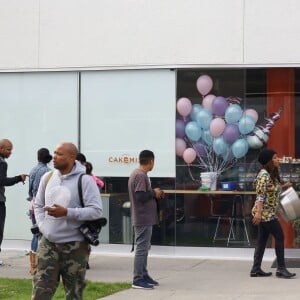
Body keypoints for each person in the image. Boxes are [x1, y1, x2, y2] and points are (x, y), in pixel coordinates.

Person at [32, 142, 103, 299]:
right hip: (48, 244)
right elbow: (37, 205)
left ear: (72, 157)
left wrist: (67, 212)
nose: (54, 157)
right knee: (40, 291)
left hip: (75, 246)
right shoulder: (48, 177)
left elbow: (96, 210)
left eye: (59, 154)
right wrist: (43, 227)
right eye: (54, 153)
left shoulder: (85, 180)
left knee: (74, 294)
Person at [250, 148, 296, 279]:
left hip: (267, 213)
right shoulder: (264, 175)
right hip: (265, 214)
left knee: (262, 240)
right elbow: (260, 196)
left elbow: (272, 189)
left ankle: (256, 269)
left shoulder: (270, 174)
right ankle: (281, 269)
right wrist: (258, 213)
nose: (278, 160)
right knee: (280, 237)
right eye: (275, 158)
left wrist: (285, 185)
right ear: (269, 161)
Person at [128, 150, 164, 289]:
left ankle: (143, 274)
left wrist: (154, 193)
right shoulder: (140, 175)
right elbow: (140, 196)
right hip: (142, 218)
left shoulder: (138, 174)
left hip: (145, 217)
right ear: (151, 161)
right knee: (142, 249)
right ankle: (137, 279)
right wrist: (154, 192)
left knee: (144, 247)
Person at [0, 139, 28, 255]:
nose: (10, 152)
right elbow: (2, 181)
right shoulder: (2, 163)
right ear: (1, 148)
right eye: (8, 150)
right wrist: (19, 178)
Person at [28, 148, 52, 275]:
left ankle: (32, 265)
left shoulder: (32, 170)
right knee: (43, 234)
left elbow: (30, 191)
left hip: (33, 204)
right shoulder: (48, 172)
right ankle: (40, 264)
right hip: (43, 206)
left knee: (35, 232)